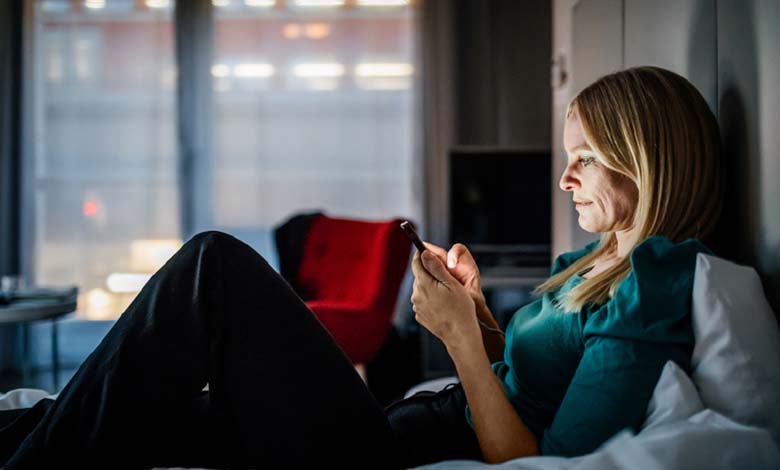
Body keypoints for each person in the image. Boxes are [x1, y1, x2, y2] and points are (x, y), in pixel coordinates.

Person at [0, 66, 721, 469]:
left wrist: (460, 344)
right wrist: (477, 316)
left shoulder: (649, 289)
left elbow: (539, 460)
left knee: (213, 269)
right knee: (98, 417)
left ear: (646, 158)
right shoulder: (599, 263)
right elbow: (534, 382)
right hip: (405, 420)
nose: (565, 180)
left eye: (584, 159)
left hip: (386, 455)